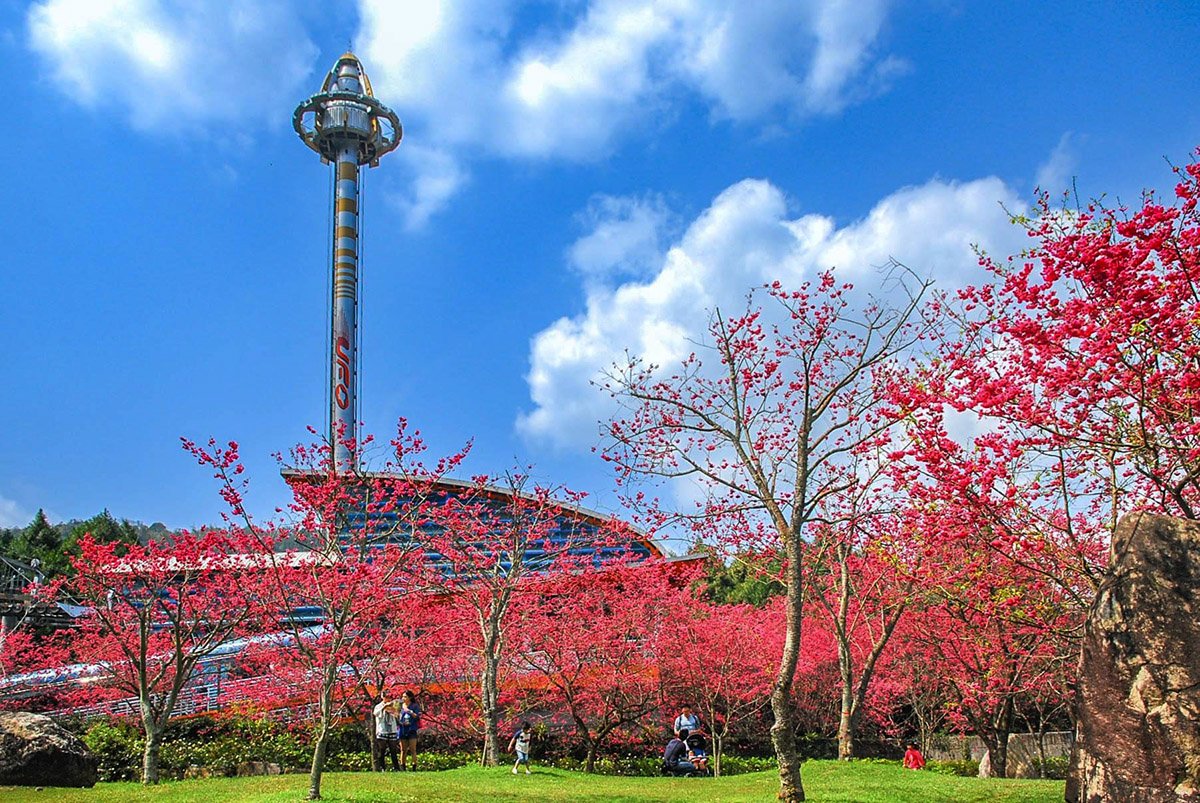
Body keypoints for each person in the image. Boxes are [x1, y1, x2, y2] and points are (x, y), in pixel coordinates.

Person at [372, 695, 401, 771]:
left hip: (392, 730)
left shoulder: (394, 705)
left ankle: (396, 768)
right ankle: (382, 767)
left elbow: (398, 715)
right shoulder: (378, 706)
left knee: (393, 750)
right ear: (383, 697)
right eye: (386, 697)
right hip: (382, 730)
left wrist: (394, 710)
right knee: (382, 750)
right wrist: (384, 707)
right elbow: (376, 714)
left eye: (389, 697)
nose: (388, 699)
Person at [396, 689, 422, 771]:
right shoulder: (399, 706)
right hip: (402, 729)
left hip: (411, 729)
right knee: (403, 749)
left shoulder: (414, 706)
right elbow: (396, 715)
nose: (403, 698)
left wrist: (409, 711)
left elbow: (417, 716)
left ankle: (414, 766)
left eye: (405, 697)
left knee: (412, 749)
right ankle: (402, 767)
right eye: (402, 697)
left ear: (410, 697)